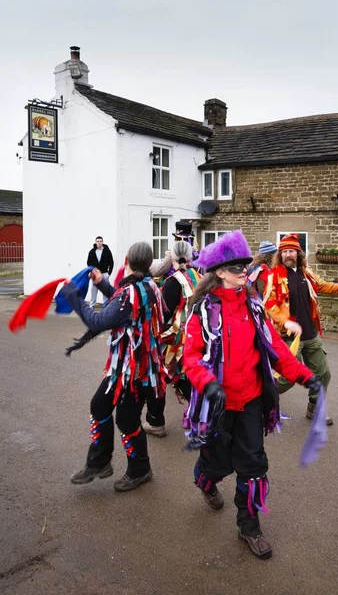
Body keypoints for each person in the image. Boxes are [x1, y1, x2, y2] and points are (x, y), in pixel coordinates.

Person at [183, 230, 321, 560]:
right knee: (217, 464)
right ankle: (205, 478)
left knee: (254, 465)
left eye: (245, 266)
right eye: (237, 268)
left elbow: (276, 349)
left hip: (251, 402)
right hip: (217, 405)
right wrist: (208, 383)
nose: (244, 272)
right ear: (219, 272)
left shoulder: (254, 307)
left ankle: (249, 526)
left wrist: (305, 376)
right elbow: (190, 356)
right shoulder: (203, 310)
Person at [60, 242, 166, 492]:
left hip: (136, 373)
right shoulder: (148, 286)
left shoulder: (133, 292)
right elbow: (123, 304)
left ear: (127, 259)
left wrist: (73, 294)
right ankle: (99, 462)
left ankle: (140, 469)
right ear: (148, 264)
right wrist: (100, 283)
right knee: (99, 405)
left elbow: (97, 321)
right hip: (124, 369)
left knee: (128, 421)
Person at [266, 233, 338, 426]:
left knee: (323, 373)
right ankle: (257, 400)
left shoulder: (306, 273)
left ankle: (314, 408)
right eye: (284, 251)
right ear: (280, 254)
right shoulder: (274, 277)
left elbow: (321, 286)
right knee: (287, 379)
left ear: (298, 253)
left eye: (291, 251)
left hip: (310, 335)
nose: (288, 255)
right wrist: (285, 322)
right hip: (288, 338)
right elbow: (270, 305)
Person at [143, 241, 201, 437]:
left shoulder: (174, 281)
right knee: (183, 376)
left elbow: (163, 313)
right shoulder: (198, 276)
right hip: (197, 336)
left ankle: (155, 421)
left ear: (172, 258)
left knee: (159, 375)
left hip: (177, 340)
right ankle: (201, 413)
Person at [86, 236, 114, 308]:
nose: (99, 243)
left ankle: (106, 305)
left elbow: (111, 262)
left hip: (104, 273)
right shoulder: (92, 252)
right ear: (96, 242)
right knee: (94, 290)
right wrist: (92, 271)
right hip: (95, 274)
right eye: (97, 241)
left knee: (105, 290)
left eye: (100, 241)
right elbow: (89, 263)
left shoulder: (107, 251)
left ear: (102, 242)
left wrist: (109, 273)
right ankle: (92, 305)